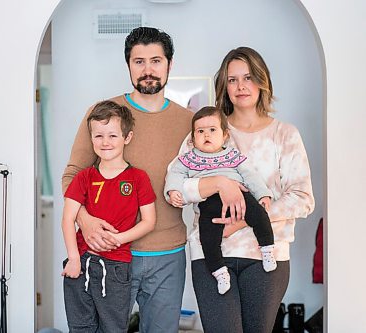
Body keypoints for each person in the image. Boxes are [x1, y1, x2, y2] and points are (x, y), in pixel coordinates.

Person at [62, 27, 193, 333]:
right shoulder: (103, 115)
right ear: (129, 66)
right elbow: (72, 175)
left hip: (168, 255)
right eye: (139, 61)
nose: (148, 70)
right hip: (107, 254)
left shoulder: (188, 121)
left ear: (170, 65)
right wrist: (86, 219)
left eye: (156, 61)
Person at [177, 47, 315, 332]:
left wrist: (242, 221)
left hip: (265, 256)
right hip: (211, 253)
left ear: (262, 81)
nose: (241, 86)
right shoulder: (205, 130)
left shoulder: (284, 134)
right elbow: (179, 187)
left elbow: (302, 198)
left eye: (248, 77)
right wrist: (218, 183)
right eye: (232, 79)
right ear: (223, 86)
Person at [61, 100, 156, 333]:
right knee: (81, 327)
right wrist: (73, 258)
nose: (105, 142)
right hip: (81, 264)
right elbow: (68, 219)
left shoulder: (138, 178)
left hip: (116, 269)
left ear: (127, 137)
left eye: (112, 136)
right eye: (98, 136)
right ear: (91, 138)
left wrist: (119, 238)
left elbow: (149, 221)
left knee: (113, 328)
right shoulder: (83, 178)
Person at [164, 106, 276, 295]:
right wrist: (173, 189)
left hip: (241, 198)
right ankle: (218, 270)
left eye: (212, 130)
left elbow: (250, 176)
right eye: (200, 131)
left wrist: (263, 194)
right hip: (209, 204)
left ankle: (267, 248)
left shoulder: (233, 155)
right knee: (207, 236)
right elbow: (175, 174)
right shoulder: (188, 159)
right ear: (192, 138)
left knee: (259, 214)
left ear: (225, 135)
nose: (206, 135)